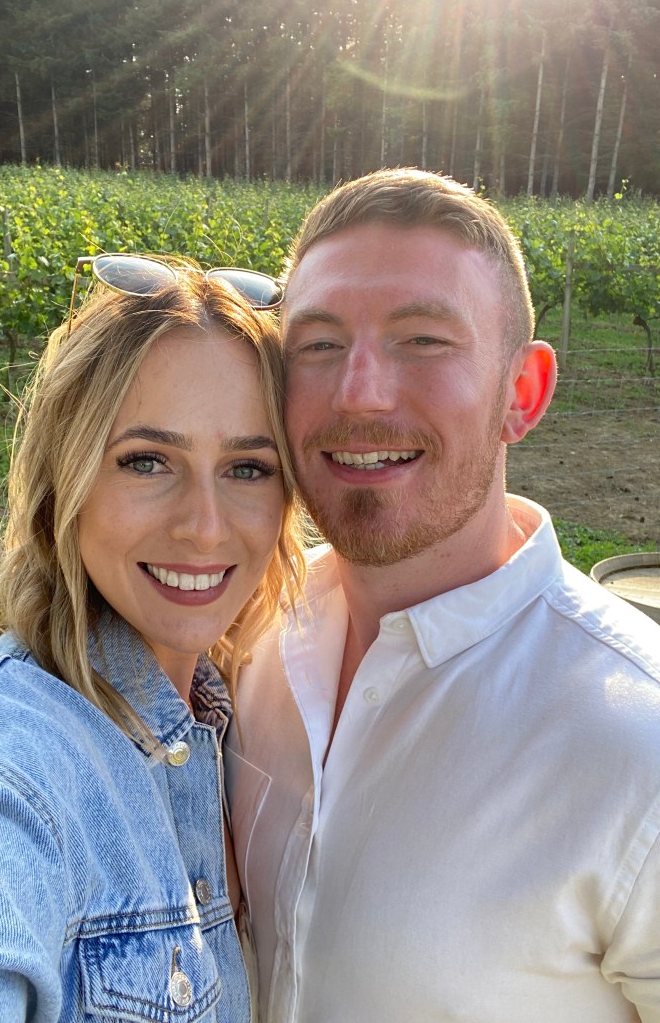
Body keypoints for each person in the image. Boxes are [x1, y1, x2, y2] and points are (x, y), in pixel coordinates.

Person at [225, 168, 660, 1023]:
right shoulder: (242, 631)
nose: (359, 392)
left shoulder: (636, 746)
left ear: (521, 394)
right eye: (318, 345)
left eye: (422, 340)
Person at [0, 257, 305, 1022]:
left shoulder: (245, 712)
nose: (204, 526)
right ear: (66, 480)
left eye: (248, 468)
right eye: (146, 461)